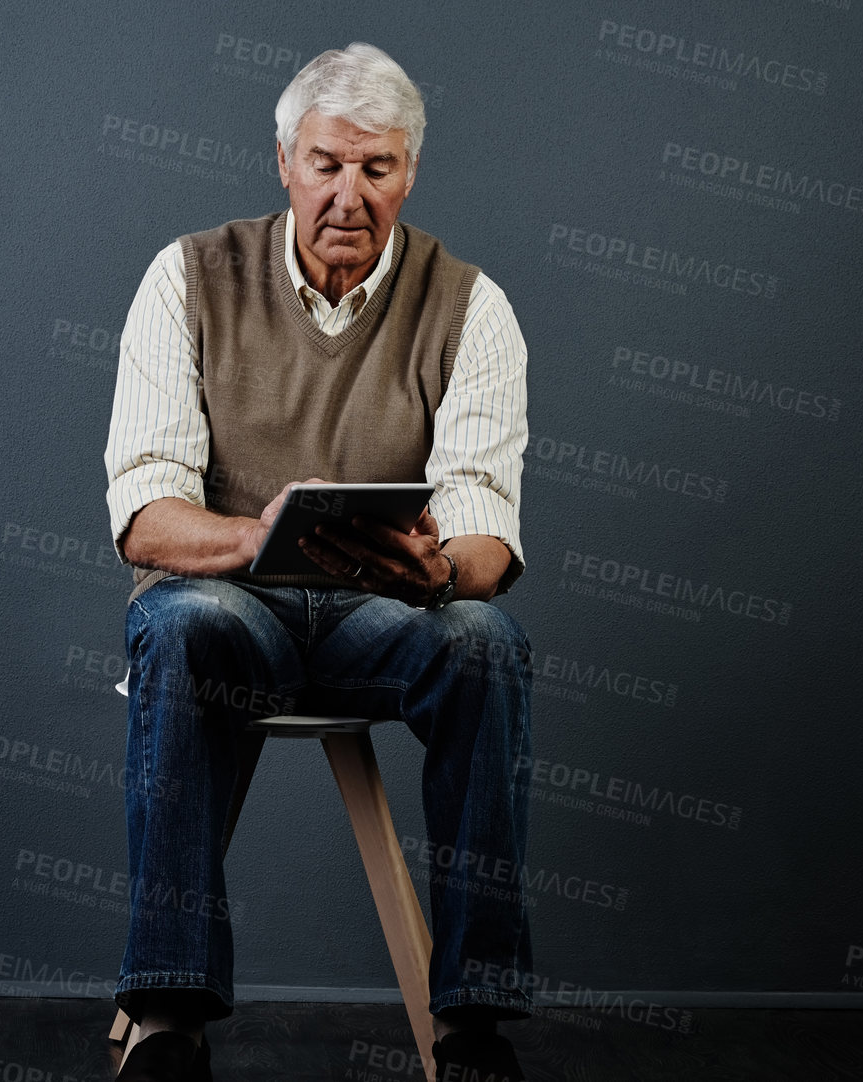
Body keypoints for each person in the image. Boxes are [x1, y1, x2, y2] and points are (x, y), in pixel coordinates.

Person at [101, 42, 534, 1082]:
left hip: (381, 614)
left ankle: (472, 1016)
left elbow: (488, 523)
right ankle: (167, 1013)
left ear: (409, 173)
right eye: (327, 163)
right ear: (284, 162)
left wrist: (435, 572)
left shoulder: (470, 304)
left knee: (482, 638)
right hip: (231, 604)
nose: (349, 193)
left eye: (375, 168)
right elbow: (144, 512)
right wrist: (259, 537)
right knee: (175, 621)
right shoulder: (187, 275)